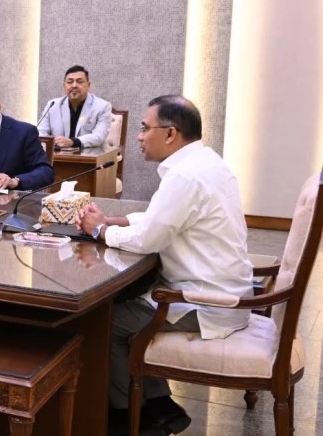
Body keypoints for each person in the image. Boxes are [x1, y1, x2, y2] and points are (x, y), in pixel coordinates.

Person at [77, 95, 253, 436]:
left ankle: (128, 418)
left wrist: (100, 231)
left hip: (206, 301)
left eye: (145, 128)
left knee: (103, 323)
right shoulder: (205, 162)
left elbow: (149, 239)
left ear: (171, 133)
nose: (139, 136)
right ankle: (160, 406)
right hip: (222, 290)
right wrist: (113, 220)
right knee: (125, 305)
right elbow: (162, 218)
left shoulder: (185, 176)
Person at [37, 65, 113, 150]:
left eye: (79, 82)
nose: (74, 85)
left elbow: (99, 136)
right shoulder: (53, 105)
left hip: (89, 155)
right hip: (57, 155)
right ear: (64, 85)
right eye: (70, 82)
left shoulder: (102, 106)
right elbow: (40, 132)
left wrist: (73, 142)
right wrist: (52, 141)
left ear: (88, 85)